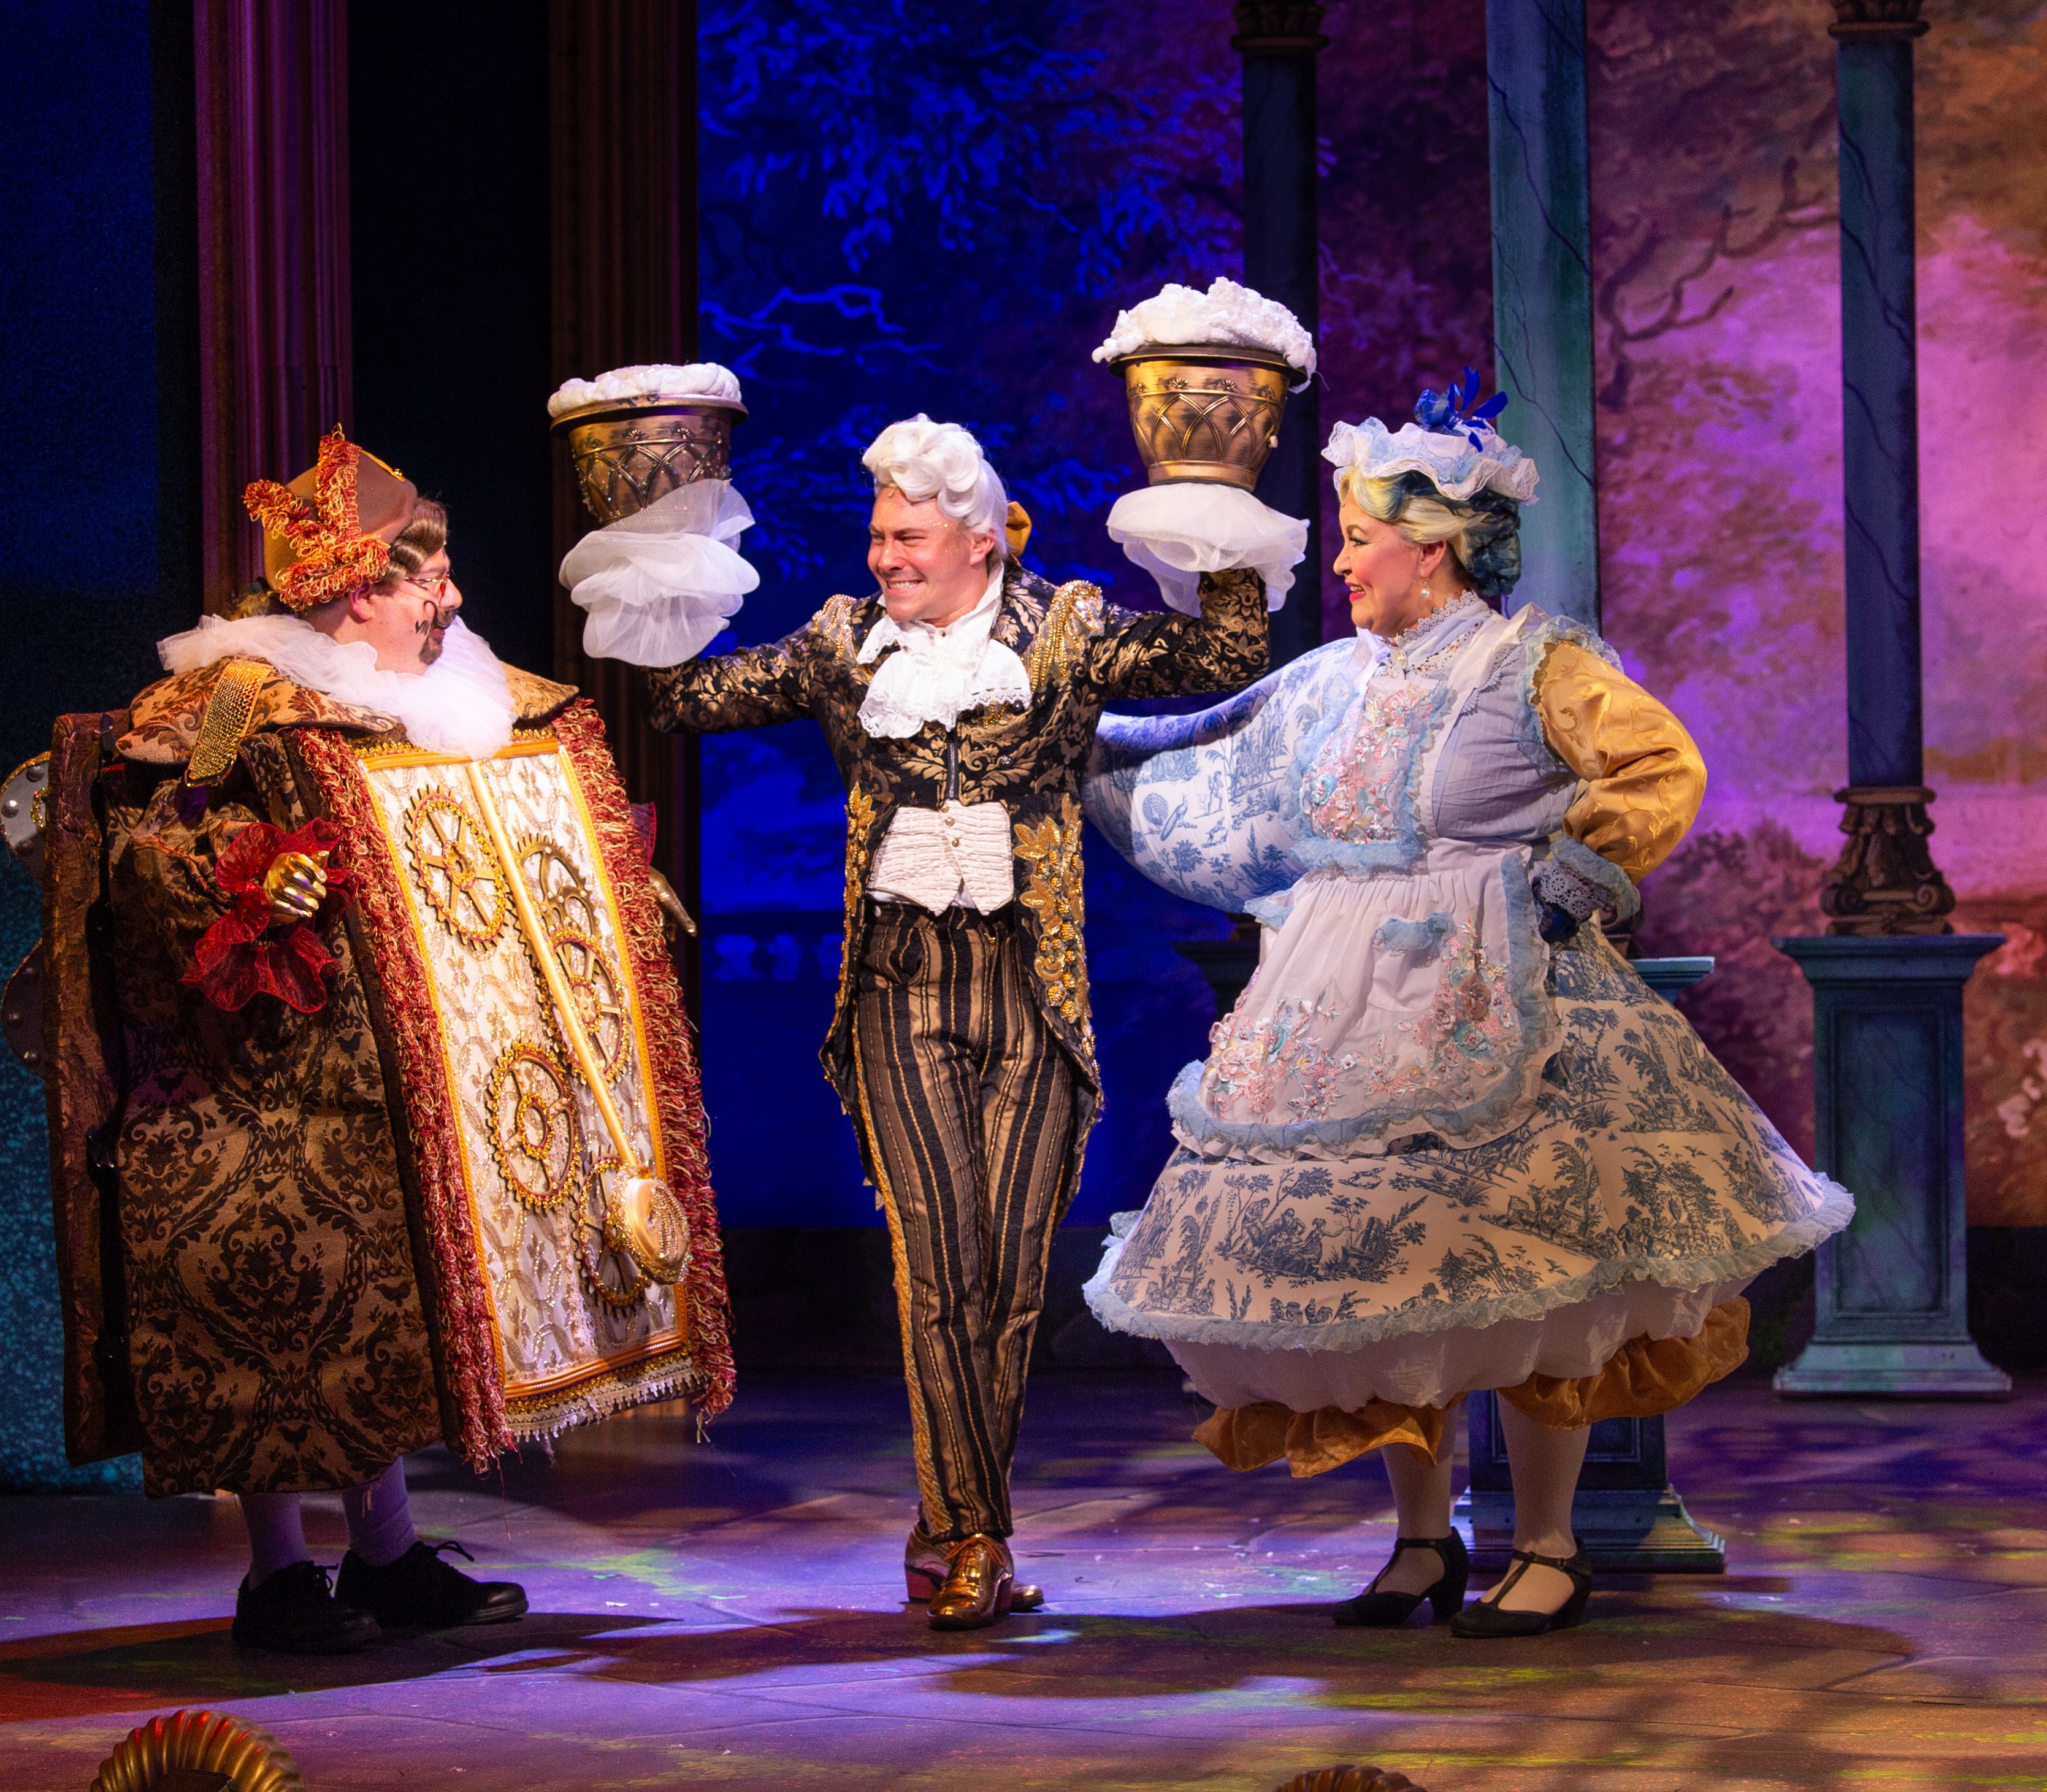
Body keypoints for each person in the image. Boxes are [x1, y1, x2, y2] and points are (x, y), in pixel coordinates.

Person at [1079, 380, 1853, 1638]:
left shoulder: (1530, 663)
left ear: (1429, 548)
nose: (1342, 561)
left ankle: (1545, 1545)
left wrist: (1573, 873)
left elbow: (1659, 762)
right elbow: (1210, 754)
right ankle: (1421, 1542)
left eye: (1358, 538)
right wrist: (1061, 726)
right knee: (1396, 1272)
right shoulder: (1335, 677)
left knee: (1527, 1270)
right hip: (1336, 1000)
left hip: (1498, 984)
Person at [28, 429, 730, 1653]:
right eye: (427, 575)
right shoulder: (236, 704)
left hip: (412, 1101)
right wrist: (249, 883)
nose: (451, 594)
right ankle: (278, 1574)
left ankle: (389, 1558)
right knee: (283, 1329)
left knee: (384, 1340)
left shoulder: (471, 698)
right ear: (355, 589)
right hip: (265, 1088)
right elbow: (154, 841)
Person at [600, 415, 1272, 1629]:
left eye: (906, 536)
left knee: (1007, 1281)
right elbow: (683, 699)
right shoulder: (841, 644)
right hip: (900, 994)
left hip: (1028, 997)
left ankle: (951, 1527)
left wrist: (1209, 491)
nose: (883, 558)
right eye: (875, 536)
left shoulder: (1066, 633)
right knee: (936, 1266)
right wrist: (655, 542)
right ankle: (972, 1537)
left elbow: (1222, 647)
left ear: (977, 540)